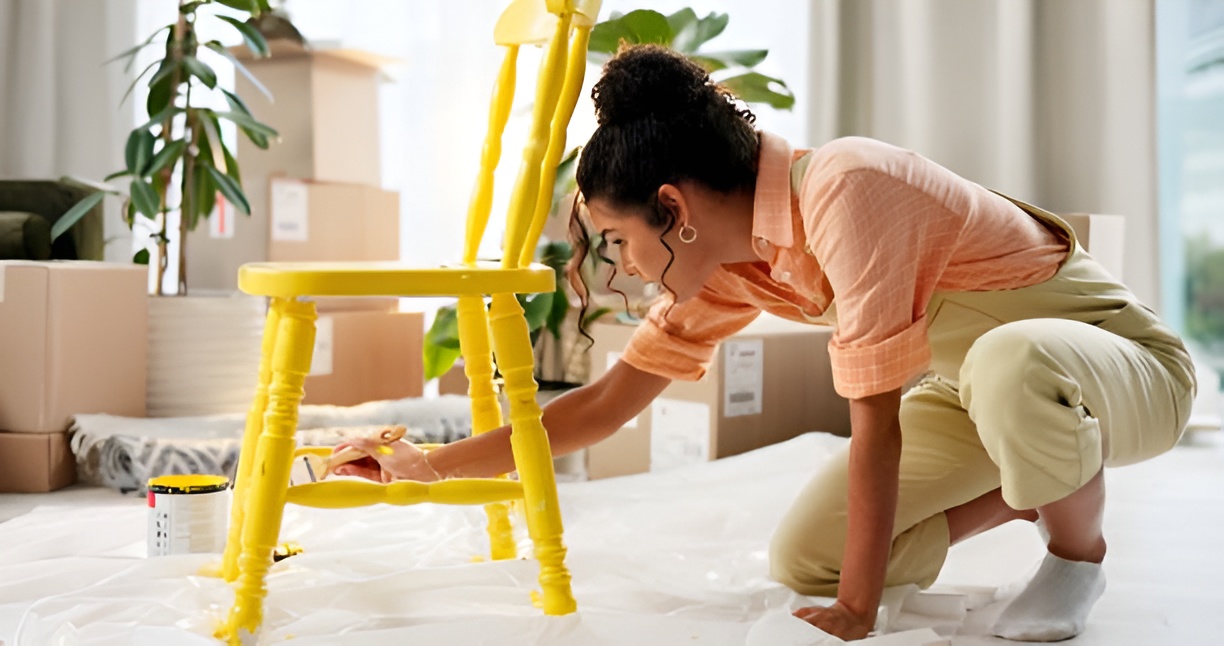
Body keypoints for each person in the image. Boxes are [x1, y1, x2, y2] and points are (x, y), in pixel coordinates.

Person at [334, 44, 1196, 642]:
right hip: (975, 393)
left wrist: (860, 611)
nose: (627, 270)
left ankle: (1077, 552)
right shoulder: (731, 264)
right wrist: (428, 465)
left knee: (1014, 365)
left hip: (1112, 363)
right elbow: (603, 406)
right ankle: (1037, 476)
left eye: (620, 241)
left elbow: (875, 424)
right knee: (808, 556)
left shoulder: (851, 187)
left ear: (672, 208)